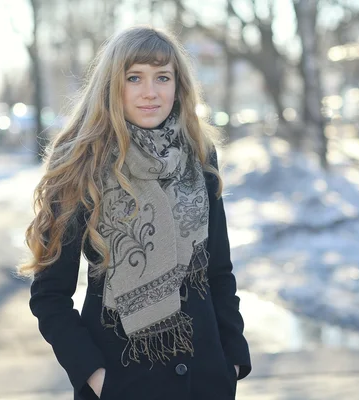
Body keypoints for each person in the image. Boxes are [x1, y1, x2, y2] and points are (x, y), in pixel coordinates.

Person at [19, 26, 251, 400]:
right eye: (134, 78)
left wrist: (233, 360)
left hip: (205, 381)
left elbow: (218, 271)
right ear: (113, 84)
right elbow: (49, 295)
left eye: (162, 77)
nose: (150, 92)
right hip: (123, 383)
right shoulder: (81, 164)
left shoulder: (199, 156)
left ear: (179, 86)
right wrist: (95, 377)